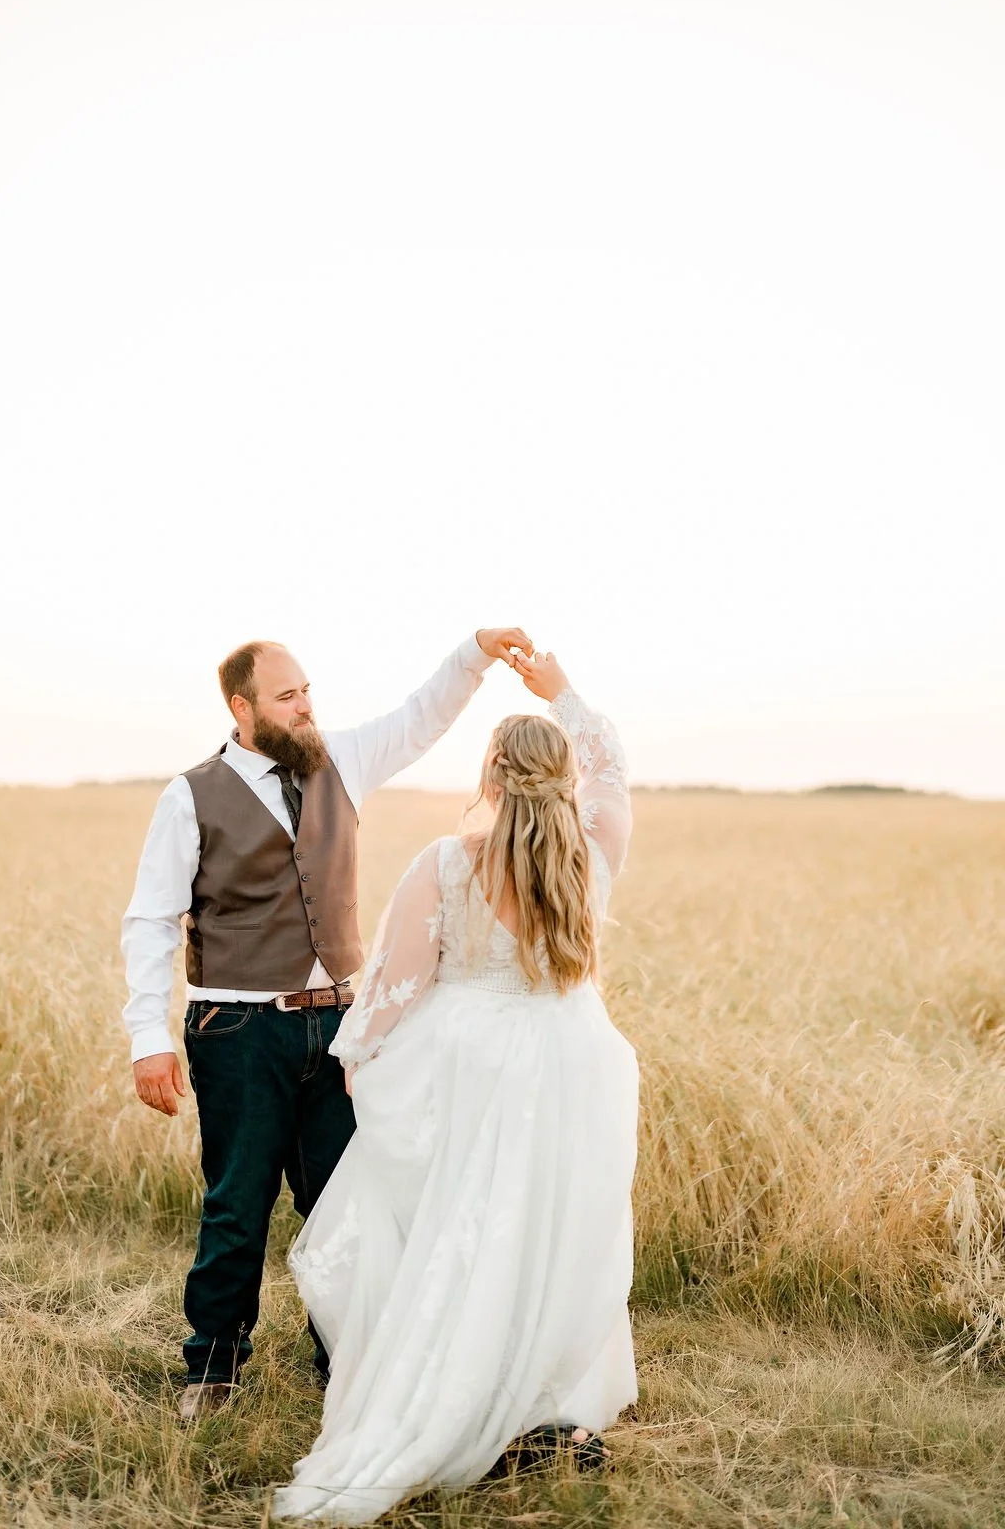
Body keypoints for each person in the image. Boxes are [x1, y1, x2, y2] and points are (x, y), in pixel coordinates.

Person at [121, 626, 532, 1421]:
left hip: (338, 1030)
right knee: (237, 1205)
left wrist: (475, 653)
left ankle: (348, 1361)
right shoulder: (190, 795)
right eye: (287, 695)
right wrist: (148, 1041)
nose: (306, 705)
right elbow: (150, 921)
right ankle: (213, 1368)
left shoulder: (340, 759)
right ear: (243, 709)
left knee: (345, 1204)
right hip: (237, 1030)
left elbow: (422, 717)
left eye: (307, 689)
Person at [271, 650, 639, 1526]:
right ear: (562, 777)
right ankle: (549, 1405)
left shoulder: (447, 861)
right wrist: (557, 686)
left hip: (471, 1061)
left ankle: (464, 1386)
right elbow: (614, 764)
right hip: (571, 1057)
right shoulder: (594, 847)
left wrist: (358, 1057)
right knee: (553, 1226)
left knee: (467, 1225)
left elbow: (397, 981)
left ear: (489, 775)